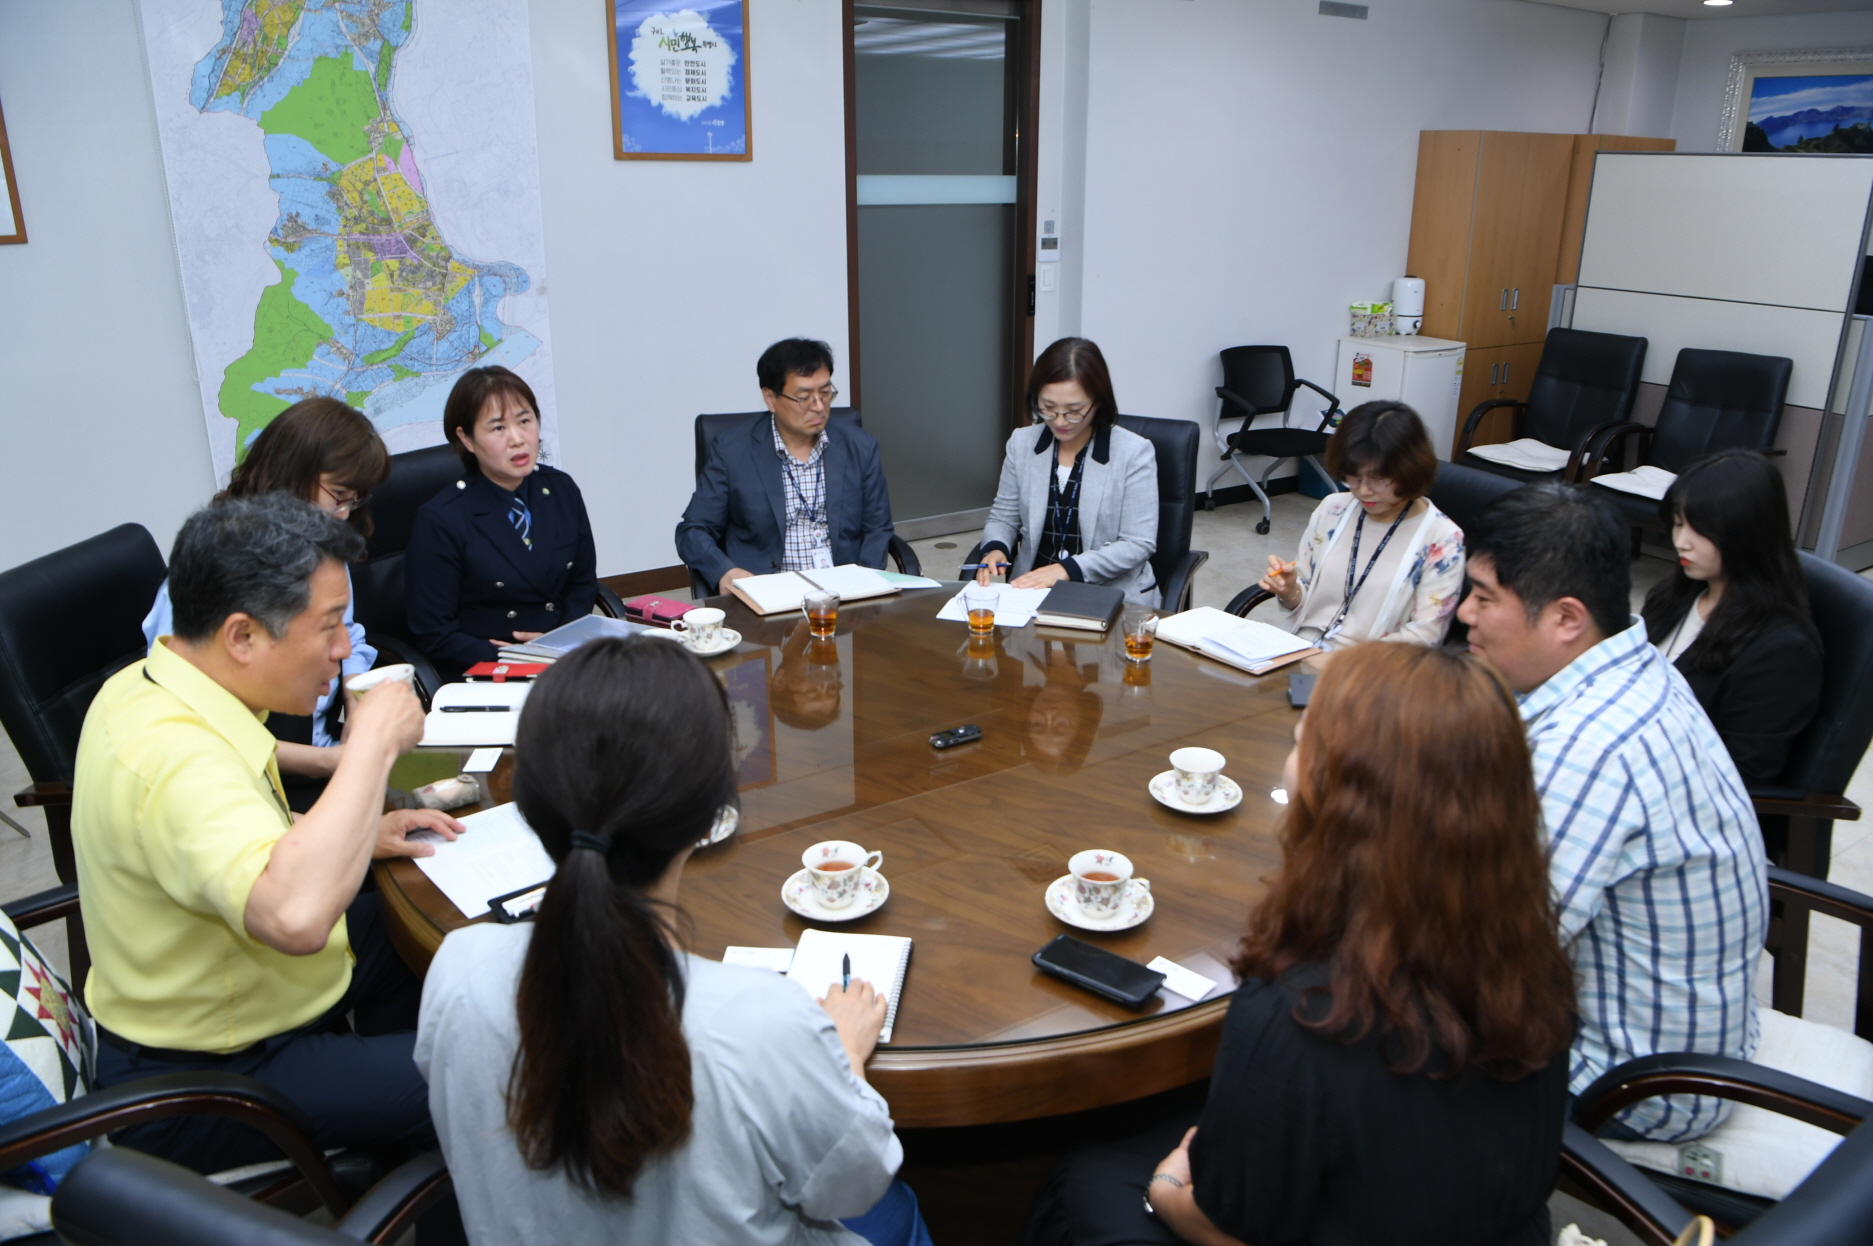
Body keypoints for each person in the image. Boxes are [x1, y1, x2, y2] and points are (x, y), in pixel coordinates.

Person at [1023, 642, 1575, 1246]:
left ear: (1339, 794)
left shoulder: (1301, 1014)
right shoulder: (1536, 962)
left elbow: (1224, 1226)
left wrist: (1170, 1184)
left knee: (1087, 1179)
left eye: (1297, 742)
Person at [415, 637, 933, 1246]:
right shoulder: (763, 1021)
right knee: (897, 1214)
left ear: (528, 801)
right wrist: (842, 1059)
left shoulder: (458, 968)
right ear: (712, 810)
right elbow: (855, 1185)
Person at [75, 495, 465, 1176]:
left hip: (248, 993)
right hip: (213, 1074)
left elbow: (224, 830)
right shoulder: (174, 758)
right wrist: (370, 743)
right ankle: (425, 1140)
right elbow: (295, 917)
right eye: (330, 626)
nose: (345, 650)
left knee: (429, 932)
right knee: (487, 1071)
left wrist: (356, 833)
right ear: (242, 636)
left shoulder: (152, 684)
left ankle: (408, 1138)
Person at [1459, 483, 1767, 1142]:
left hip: (1633, 1078)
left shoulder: (1589, 748)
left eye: (1484, 597)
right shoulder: (1630, 666)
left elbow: (1484, 960)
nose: (1463, 613)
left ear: (1566, 618)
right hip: (1682, 1030)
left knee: (1332, 1025)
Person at [142, 397, 389, 810]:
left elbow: (352, 640)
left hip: (328, 755)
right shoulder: (212, 577)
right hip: (259, 785)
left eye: (355, 501)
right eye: (339, 496)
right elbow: (203, 728)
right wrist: (328, 763)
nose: (344, 515)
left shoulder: (322, 551)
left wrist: (356, 707)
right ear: (294, 473)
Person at [1639, 449, 1822, 789]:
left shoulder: (1781, 651)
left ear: (1747, 533)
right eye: (1678, 523)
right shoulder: (1674, 596)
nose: (1681, 542)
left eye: (1699, 530)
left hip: (1683, 805)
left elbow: (1743, 776)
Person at [405, 366, 599, 678]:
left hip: (561, 654)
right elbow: (433, 631)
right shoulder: (442, 518)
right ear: (466, 439)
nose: (517, 439)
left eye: (525, 421)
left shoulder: (561, 489)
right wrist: (517, 657)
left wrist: (559, 643)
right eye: (498, 428)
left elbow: (582, 582)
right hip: (490, 668)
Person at [677, 338, 900, 595]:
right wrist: (724, 572)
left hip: (841, 592)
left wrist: (864, 584)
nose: (818, 406)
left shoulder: (860, 447)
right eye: (804, 397)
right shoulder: (732, 450)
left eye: (825, 393)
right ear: (770, 398)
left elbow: (877, 528)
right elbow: (692, 530)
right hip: (766, 592)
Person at [1257, 401, 1463, 651]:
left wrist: (1335, 665)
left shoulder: (1442, 539)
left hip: (1369, 673)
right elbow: (1304, 600)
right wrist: (1289, 590)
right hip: (1299, 652)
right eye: (1353, 476)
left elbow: (1424, 638)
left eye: (1377, 479)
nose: (1363, 490)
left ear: (1409, 470)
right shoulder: (1333, 509)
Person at [976, 338, 1160, 605]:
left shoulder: (1133, 452)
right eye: (1048, 408)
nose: (1060, 421)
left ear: (1099, 402)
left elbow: (1137, 543)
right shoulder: (1022, 443)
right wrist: (995, 547)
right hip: (1032, 591)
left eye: (1074, 412)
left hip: (1109, 595)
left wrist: (1066, 570)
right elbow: (1004, 517)